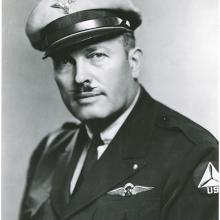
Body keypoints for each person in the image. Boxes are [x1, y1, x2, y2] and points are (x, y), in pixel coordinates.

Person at [19, 0, 218, 219]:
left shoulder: (190, 154)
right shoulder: (50, 152)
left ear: (133, 63)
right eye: (65, 61)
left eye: (96, 55)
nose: (79, 77)